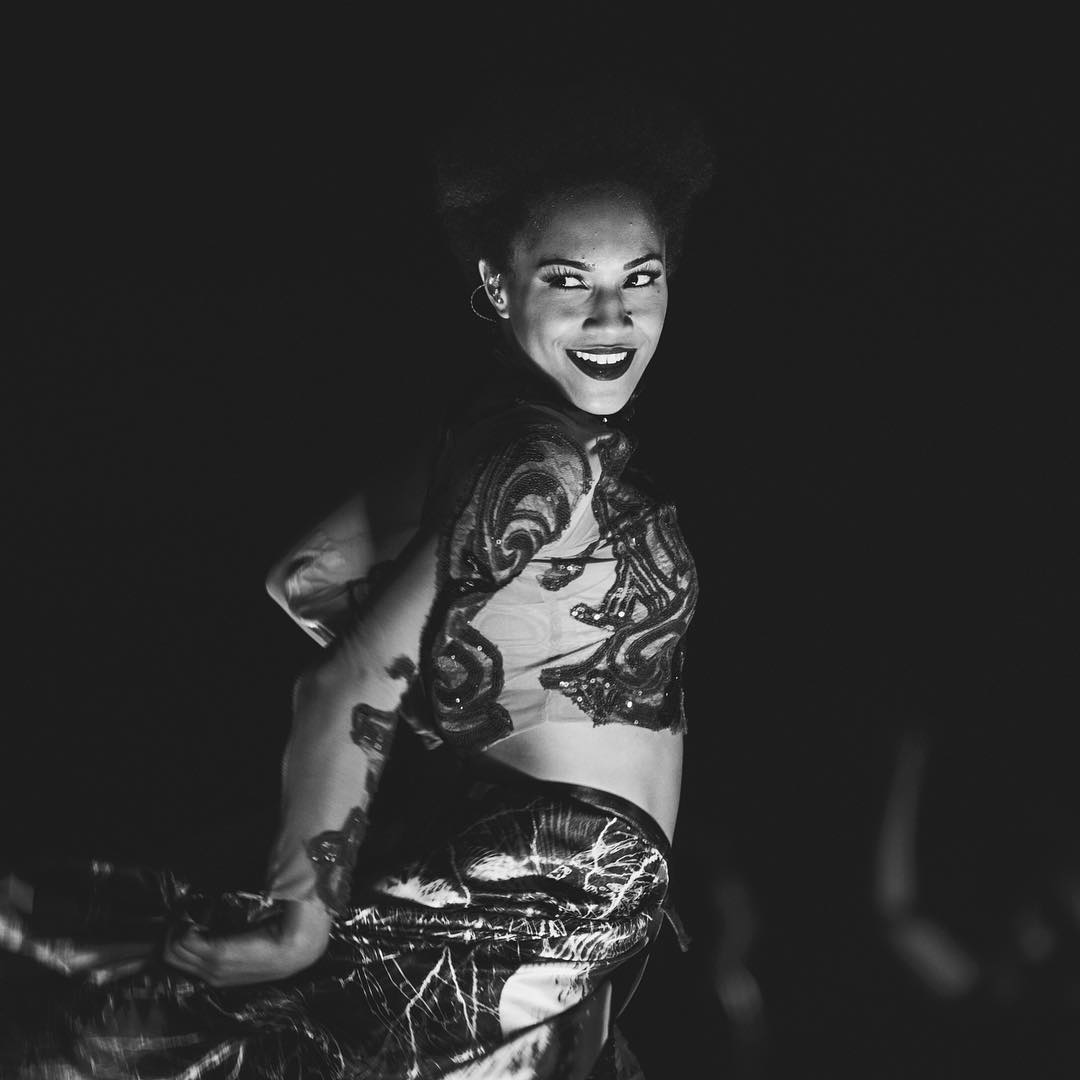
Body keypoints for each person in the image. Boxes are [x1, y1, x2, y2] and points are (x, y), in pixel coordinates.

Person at [0, 92, 715, 1078]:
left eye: (642, 277)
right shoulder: (542, 459)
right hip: (563, 876)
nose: (613, 316)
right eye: (568, 279)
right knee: (164, 1039)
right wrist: (302, 911)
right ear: (497, 285)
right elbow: (348, 679)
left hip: (548, 869)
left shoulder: (494, 431)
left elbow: (306, 579)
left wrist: (470, 697)